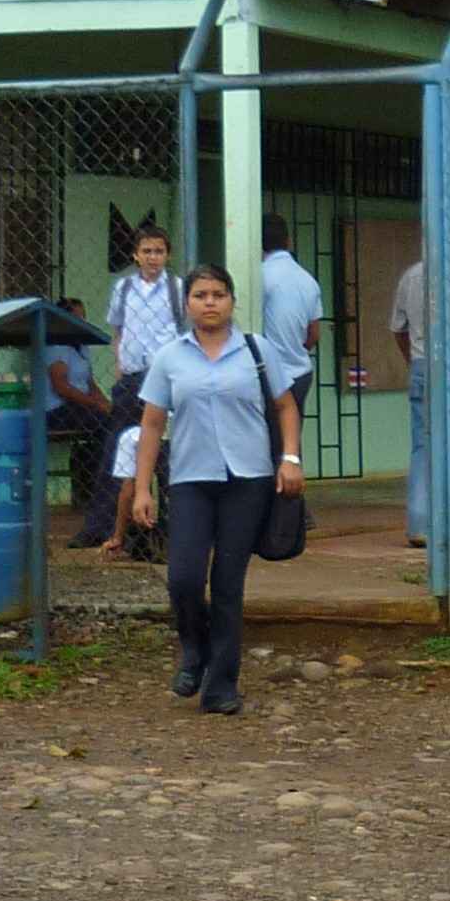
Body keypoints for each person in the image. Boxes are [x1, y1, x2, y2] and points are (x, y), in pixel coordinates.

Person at [122, 264, 303, 715]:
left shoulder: (257, 350)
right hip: (190, 480)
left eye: (219, 294)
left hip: (248, 479)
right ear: (187, 303)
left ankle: (221, 685)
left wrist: (291, 459)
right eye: (201, 295)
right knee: (183, 578)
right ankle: (194, 652)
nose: (210, 302)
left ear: (232, 301)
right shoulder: (170, 357)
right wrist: (142, 489)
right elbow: (151, 423)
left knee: (227, 584)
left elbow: (285, 406)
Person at [44, 296, 120, 551]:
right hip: (57, 409)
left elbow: (90, 384)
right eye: (76, 317)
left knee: (113, 423)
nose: (82, 322)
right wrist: (94, 404)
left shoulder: (81, 347)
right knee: (102, 425)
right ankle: (89, 476)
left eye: (83, 316)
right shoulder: (57, 345)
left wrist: (106, 404)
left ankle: (90, 470)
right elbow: (61, 386)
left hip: (81, 406)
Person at [103, 222, 178, 436]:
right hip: (130, 376)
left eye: (159, 251)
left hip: (166, 376)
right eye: (146, 251)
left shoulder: (177, 288)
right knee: (122, 438)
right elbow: (119, 331)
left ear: (168, 256)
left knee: (164, 439)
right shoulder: (123, 287)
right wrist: (119, 371)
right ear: (135, 255)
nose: (152, 257)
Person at [385, 257, 432, 550]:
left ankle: (419, 524)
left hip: (421, 363)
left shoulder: (411, 275)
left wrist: (413, 360)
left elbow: (398, 329)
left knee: (422, 447)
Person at [258, 215, 323, 404]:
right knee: (292, 431)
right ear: (289, 242)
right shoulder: (308, 280)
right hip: (300, 374)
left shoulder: (260, 276)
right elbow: (314, 335)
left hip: (266, 374)